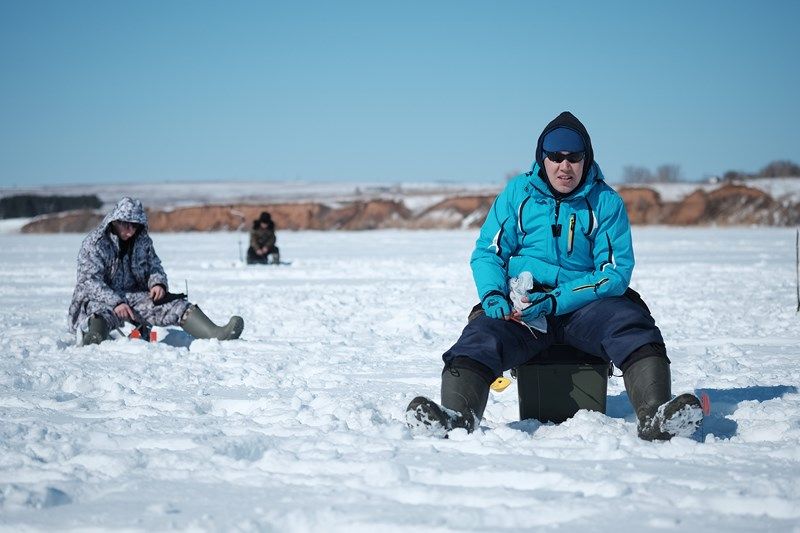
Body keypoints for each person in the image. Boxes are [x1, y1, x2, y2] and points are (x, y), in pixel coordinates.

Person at [406, 111, 702, 441]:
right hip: (525, 306)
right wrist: (493, 294)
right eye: (556, 157)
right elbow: (488, 252)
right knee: (482, 334)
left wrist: (556, 300)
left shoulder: (605, 202)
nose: (565, 166)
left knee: (630, 323)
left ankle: (655, 414)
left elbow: (615, 274)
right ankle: (457, 418)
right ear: (542, 158)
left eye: (574, 157)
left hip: (585, 306)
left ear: (586, 159)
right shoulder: (518, 193)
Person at [68, 197, 244, 345]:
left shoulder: (142, 242)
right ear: (115, 221)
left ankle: (216, 334)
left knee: (177, 306)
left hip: (135, 297)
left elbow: (154, 266)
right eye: (126, 226)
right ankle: (93, 339)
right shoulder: (95, 243)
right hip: (100, 300)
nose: (130, 232)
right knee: (99, 314)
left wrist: (157, 283)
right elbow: (89, 281)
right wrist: (116, 302)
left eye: (134, 226)